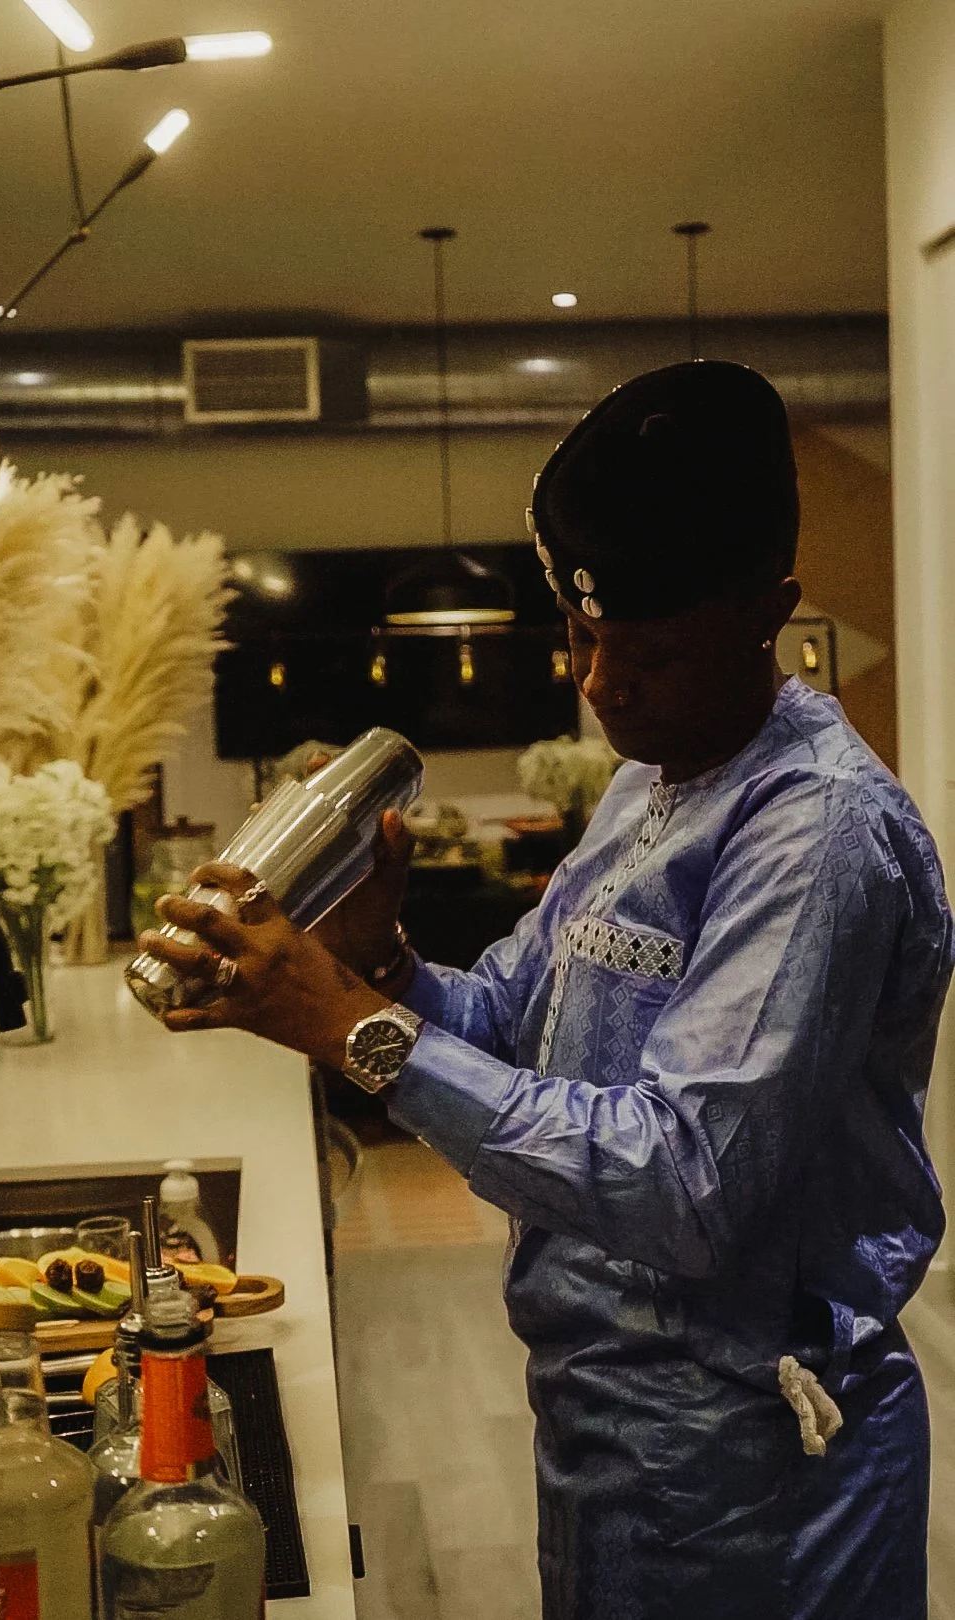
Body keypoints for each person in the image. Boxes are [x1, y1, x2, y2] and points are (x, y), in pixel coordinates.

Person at [138, 360, 953, 1619]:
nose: (601, 685)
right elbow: (523, 1024)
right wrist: (383, 963)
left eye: (653, 653)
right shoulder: (651, 777)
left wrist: (349, 1022)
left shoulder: (820, 835)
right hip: (608, 1425)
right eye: (578, 637)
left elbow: (686, 1185)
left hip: (760, 1457)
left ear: (769, 611)